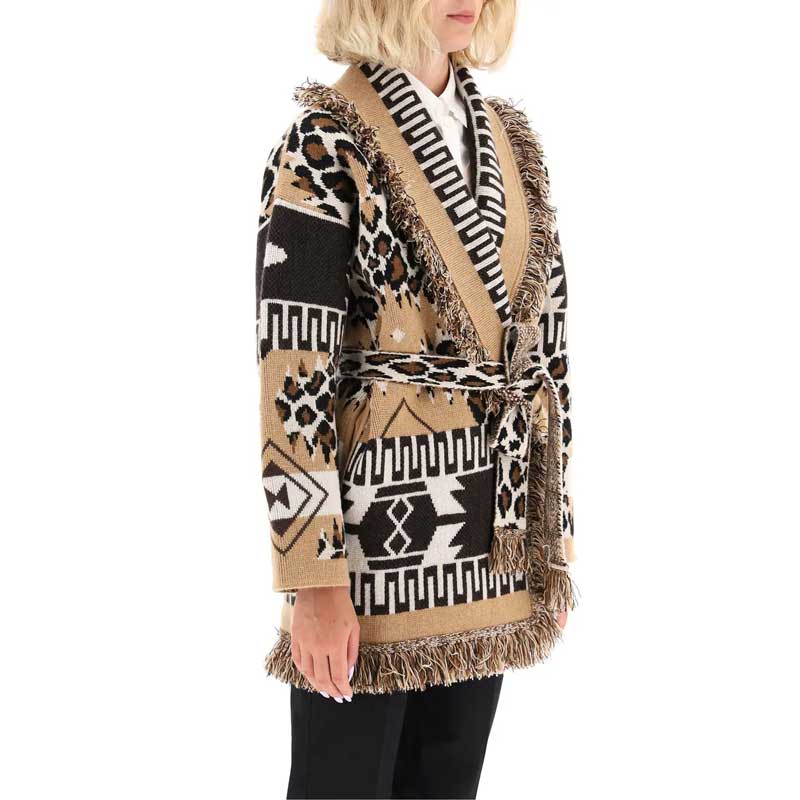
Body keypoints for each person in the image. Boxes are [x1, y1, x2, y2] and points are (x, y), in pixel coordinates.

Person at [255, 1, 577, 796]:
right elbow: (292, 364)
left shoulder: (509, 141)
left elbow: (550, 351)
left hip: (492, 538)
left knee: (446, 785)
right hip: (370, 557)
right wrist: (314, 579)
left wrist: (554, 538)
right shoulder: (324, 142)